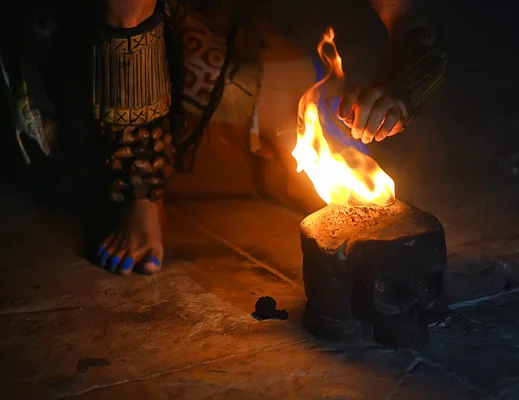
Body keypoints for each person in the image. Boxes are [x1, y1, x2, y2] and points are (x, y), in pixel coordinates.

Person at [1, 0, 447, 275]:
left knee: (285, 104)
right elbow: (124, 13)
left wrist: (399, 90)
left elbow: (412, 19)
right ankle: (139, 196)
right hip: (91, 25)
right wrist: (143, 188)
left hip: (198, 20)